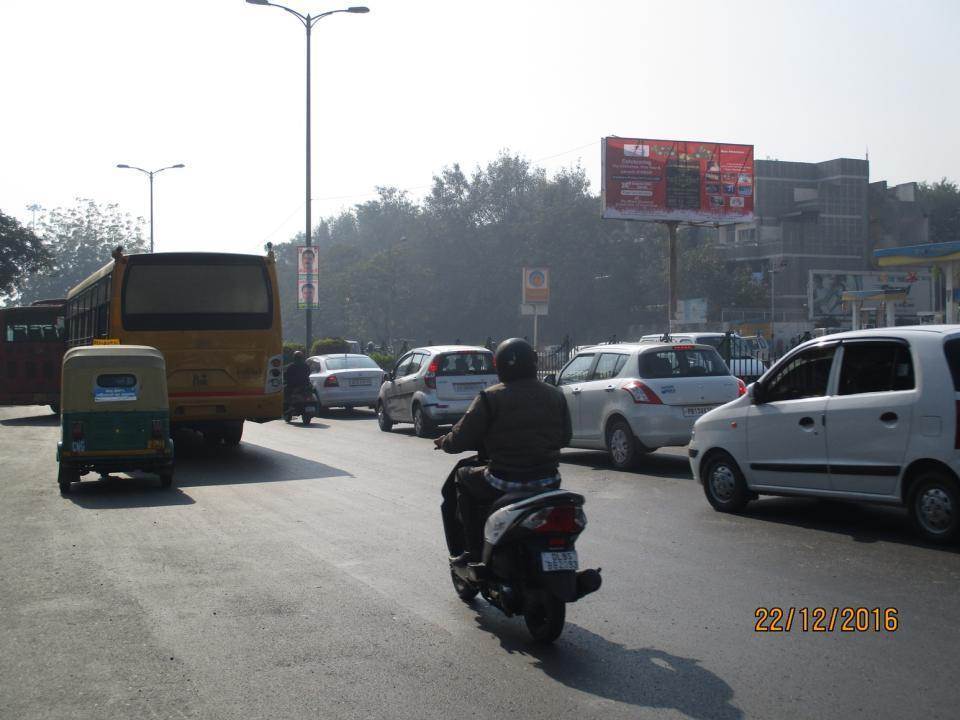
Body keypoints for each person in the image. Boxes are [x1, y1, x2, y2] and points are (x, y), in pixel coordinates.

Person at [435, 338, 572, 565]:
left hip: (503, 480)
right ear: (535, 362)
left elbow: (458, 440)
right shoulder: (555, 395)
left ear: (499, 367)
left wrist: (444, 442)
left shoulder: (490, 398)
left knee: (462, 477)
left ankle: (473, 551)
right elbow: (565, 437)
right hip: (549, 480)